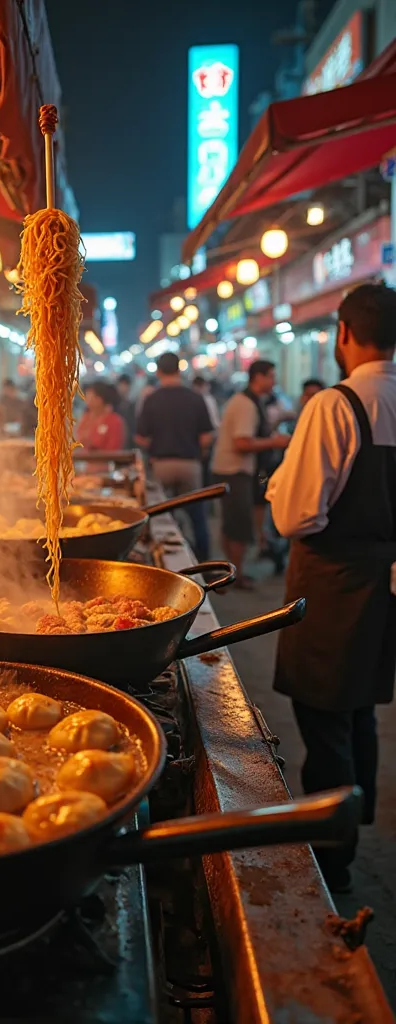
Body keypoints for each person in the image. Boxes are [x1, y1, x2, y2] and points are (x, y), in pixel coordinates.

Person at [267, 283, 396, 893]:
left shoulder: (336, 404)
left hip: (334, 583)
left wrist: (276, 489)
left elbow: (297, 516)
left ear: (343, 333)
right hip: (383, 582)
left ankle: (331, 851)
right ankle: (353, 816)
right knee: (360, 707)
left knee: (323, 715)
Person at [211, 360, 289, 587]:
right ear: (258, 378)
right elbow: (242, 442)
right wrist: (276, 442)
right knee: (239, 525)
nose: (274, 381)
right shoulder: (246, 404)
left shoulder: (252, 401)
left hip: (238, 472)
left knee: (232, 523)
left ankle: (232, 571)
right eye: (271, 376)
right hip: (235, 472)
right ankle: (236, 576)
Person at [135, 353, 214, 560]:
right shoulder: (196, 398)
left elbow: (141, 437)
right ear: (179, 369)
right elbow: (207, 437)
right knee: (197, 516)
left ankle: (163, 560)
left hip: (162, 464)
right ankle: (203, 562)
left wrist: (156, 443)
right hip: (190, 464)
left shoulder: (151, 399)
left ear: (159, 371)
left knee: (162, 517)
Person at [76, 380, 126, 452]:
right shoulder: (86, 417)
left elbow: (113, 447)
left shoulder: (114, 420)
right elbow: (79, 438)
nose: (86, 400)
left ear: (100, 399)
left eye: (90, 396)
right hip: (85, 461)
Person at [115, 373, 136, 445]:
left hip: (128, 439)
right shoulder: (113, 404)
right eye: (122, 385)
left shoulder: (131, 405)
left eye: (126, 385)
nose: (124, 387)